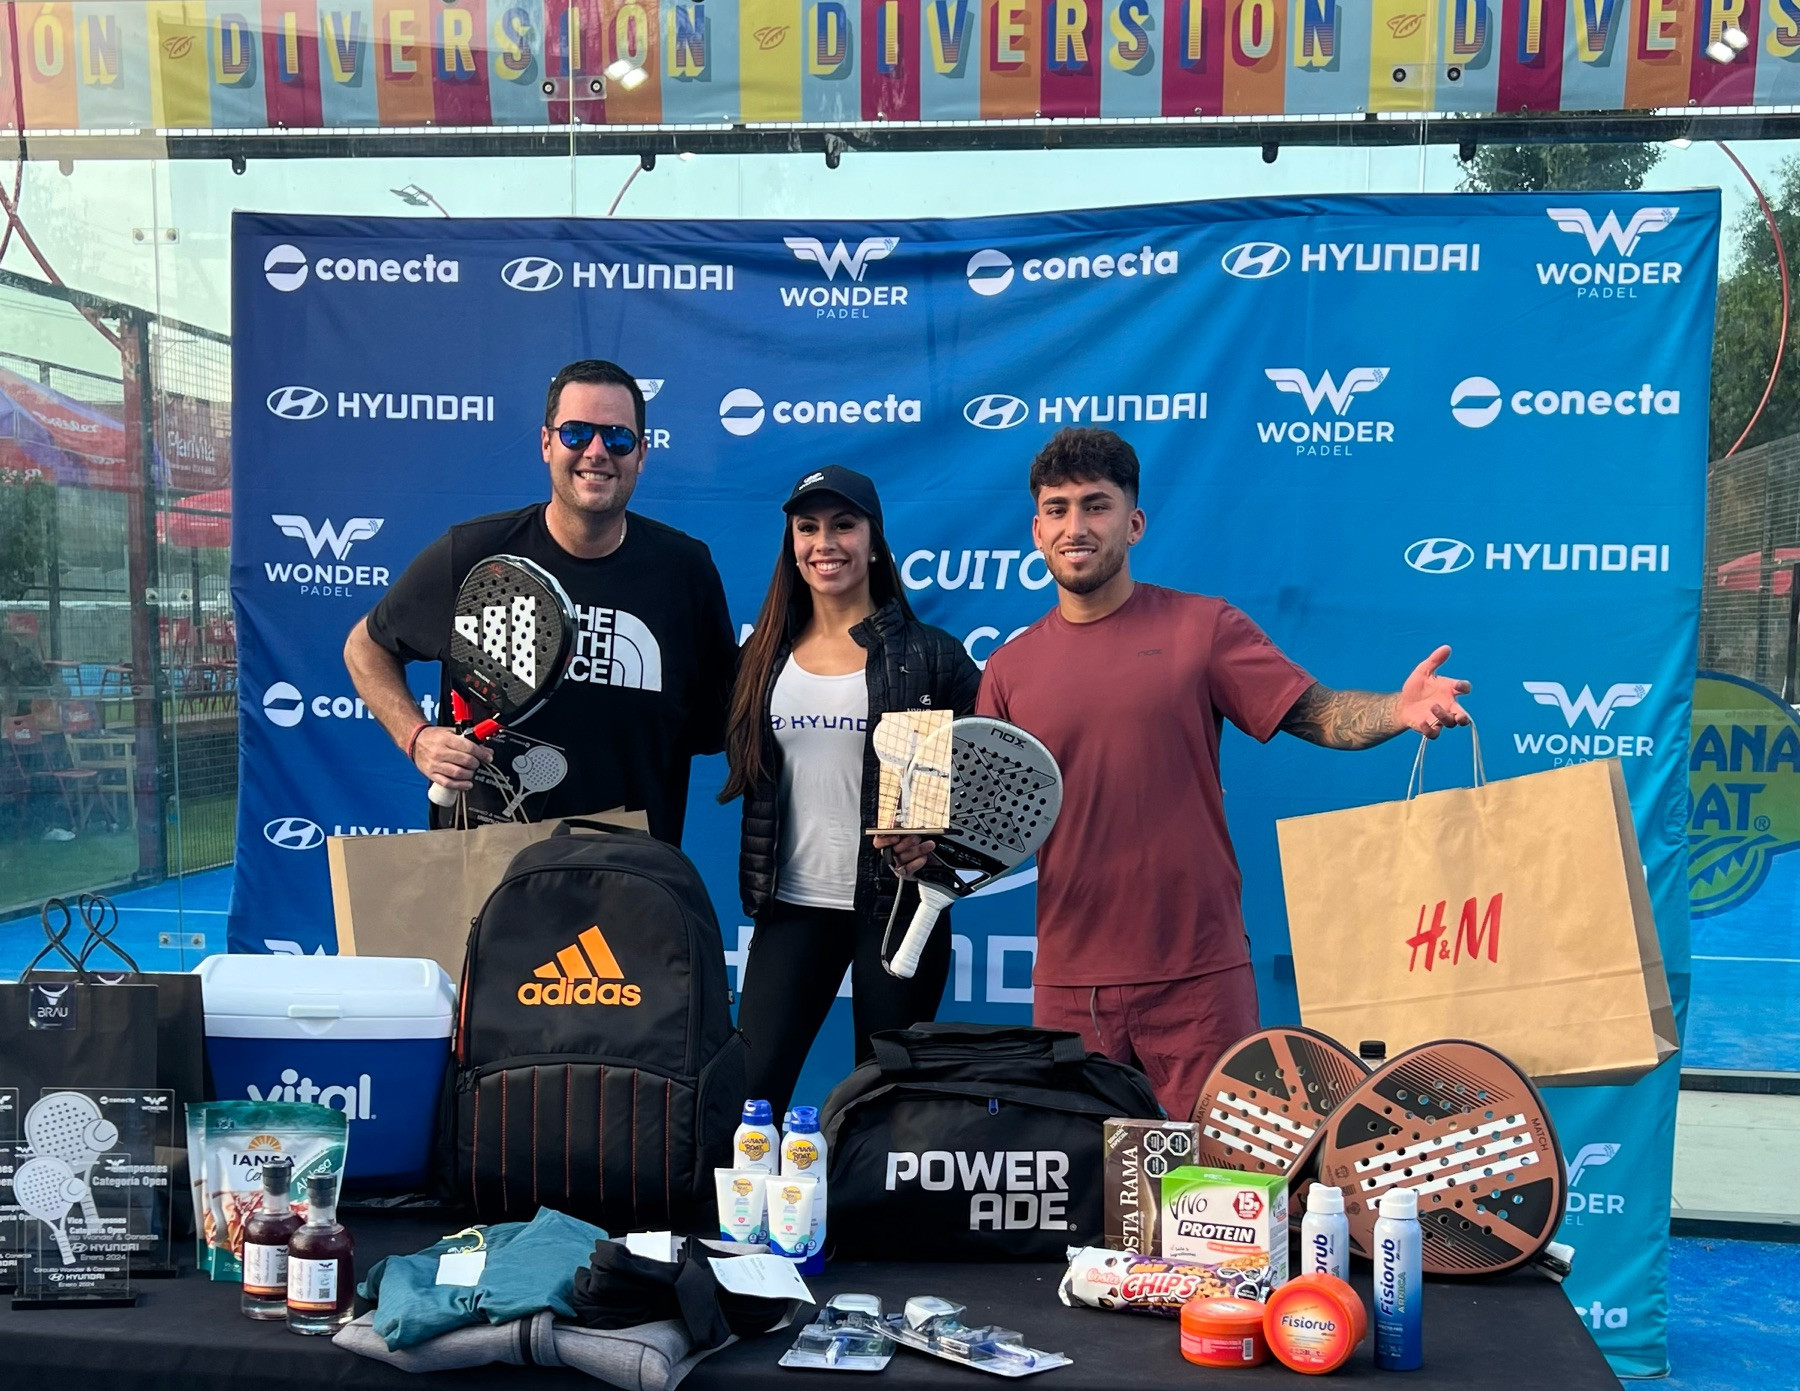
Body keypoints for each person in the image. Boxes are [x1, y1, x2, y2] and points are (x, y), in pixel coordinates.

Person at [899, 426, 1471, 1120]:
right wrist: (920, 850)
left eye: (1096, 506)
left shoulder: (1203, 628)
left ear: (1134, 523)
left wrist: (1397, 710)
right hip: (1071, 983)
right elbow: (986, 829)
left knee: (1218, 1176)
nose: (1076, 527)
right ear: (1037, 530)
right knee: (1085, 1179)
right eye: (1057, 509)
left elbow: (1316, 712)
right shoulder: (1011, 669)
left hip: (1199, 974)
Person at [343, 358, 735, 841]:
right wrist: (417, 737)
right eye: (576, 433)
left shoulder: (685, 571)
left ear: (641, 454)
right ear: (547, 443)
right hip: (489, 857)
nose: (596, 452)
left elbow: (716, 723)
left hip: (627, 863)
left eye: (618, 438)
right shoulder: (475, 553)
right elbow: (365, 647)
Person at [721, 465, 981, 1118]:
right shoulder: (763, 657)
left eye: (843, 525)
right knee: (747, 1102)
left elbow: (984, 791)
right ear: (792, 544)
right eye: (807, 528)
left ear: (874, 541)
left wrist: (940, 846)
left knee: (888, 1114)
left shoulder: (933, 658)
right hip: (791, 908)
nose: (824, 543)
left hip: (898, 912)